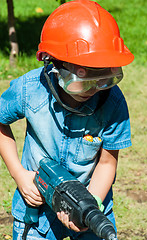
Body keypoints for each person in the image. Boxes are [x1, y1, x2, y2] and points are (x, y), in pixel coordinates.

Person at [0, 0, 134, 239]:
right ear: (53, 64)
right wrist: (19, 174)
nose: (93, 89)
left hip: (93, 198)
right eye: (83, 79)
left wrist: (88, 207)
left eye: (102, 78)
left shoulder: (113, 102)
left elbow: (106, 163)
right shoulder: (30, 89)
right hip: (36, 207)